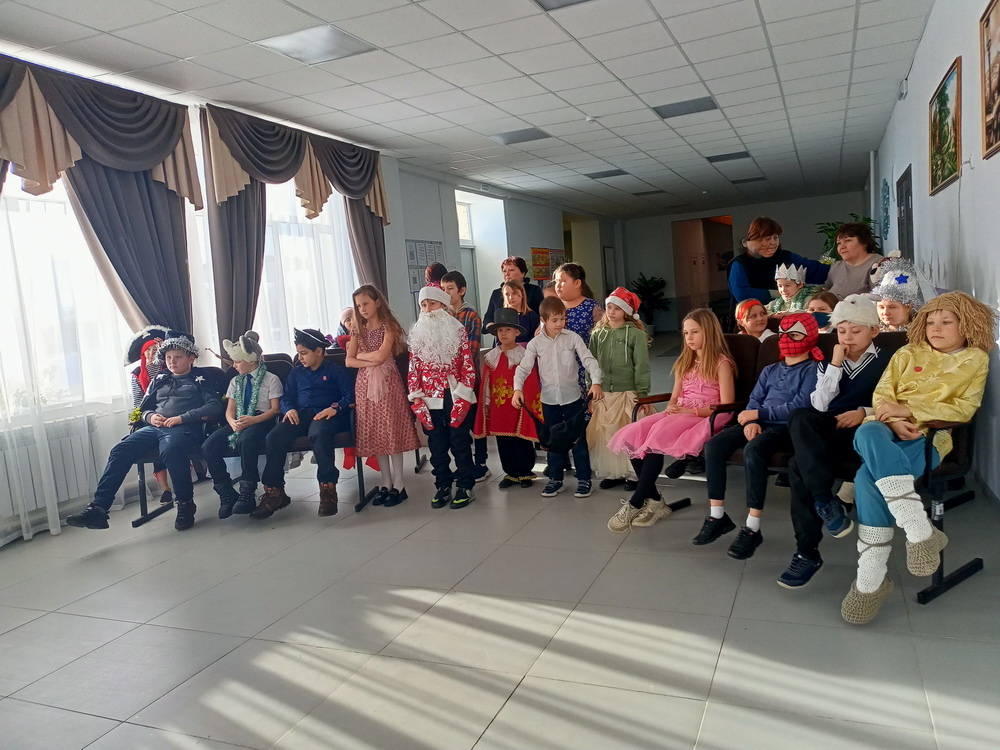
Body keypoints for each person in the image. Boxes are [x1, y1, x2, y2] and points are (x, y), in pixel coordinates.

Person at [841, 292, 996, 624]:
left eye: (946, 322)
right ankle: (918, 529)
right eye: (930, 322)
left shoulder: (975, 359)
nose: (935, 328)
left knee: (866, 478)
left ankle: (870, 579)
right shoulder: (907, 352)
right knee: (866, 433)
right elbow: (883, 393)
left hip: (929, 437)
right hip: (885, 427)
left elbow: (964, 408)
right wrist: (894, 419)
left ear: (967, 325)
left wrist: (910, 411)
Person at [779, 296, 891, 588]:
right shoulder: (829, 362)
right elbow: (819, 405)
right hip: (830, 424)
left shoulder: (889, 360)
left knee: (797, 465)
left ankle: (807, 552)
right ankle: (825, 501)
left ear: (873, 331)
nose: (848, 337)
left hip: (865, 430)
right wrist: (835, 364)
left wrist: (863, 412)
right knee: (800, 416)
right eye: (842, 331)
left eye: (856, 330)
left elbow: (898, 400)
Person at [697, 313, 822, 559]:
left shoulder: (813, 370)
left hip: (786, 427)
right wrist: (752, 420)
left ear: (809, 337)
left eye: (794, 335)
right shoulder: (770, 369)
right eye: (783, 334)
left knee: (754, 450)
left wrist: (758, 414)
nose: (786, 339)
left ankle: (752, 527)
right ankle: (717, 515)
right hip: (758, 421)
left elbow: (800, 406)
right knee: (714, 446)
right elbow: (755, 399)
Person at [67, 336, 224, 532]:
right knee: (120, 450)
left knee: (171, 450)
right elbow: (143, 409)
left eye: (177, 357)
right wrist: (150, 417)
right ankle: (98, 508)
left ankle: (185, 503)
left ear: (191, 358)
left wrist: (182, 418)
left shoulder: (201, 378)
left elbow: (214, 406)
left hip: (183, 428)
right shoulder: (160, 379)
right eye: (168, 358)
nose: (172, 362)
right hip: (154, 427)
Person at [607, 308, 735, 532]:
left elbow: (727, 406)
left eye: (694, 332)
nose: (689, 338)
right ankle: (655, 500)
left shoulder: (721, 364)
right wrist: (672, 406)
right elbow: (675, 396)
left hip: (706, 415)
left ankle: (636, 502)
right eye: (685, 333)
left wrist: (691, 411)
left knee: (656, 437)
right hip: (681, 412)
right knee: (633, 433)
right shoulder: (685, 361)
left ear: (709, 332)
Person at [252, 328, 353, 520]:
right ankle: (275, 492)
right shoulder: (296, 373)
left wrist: (335, 408)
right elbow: (286, 397)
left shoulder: (335, 371)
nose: (300, 358)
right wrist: (289, 409)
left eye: (304, 353)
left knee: (318, 434)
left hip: (326, 415)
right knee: (274, 437)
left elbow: (350, 395)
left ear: (319, 351)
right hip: (300, 415)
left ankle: (327, 488)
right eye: (298, 353)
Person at [513, 295, 604, 498]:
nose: (560, 323)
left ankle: (584, 479)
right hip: (549, 400)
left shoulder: (572, 338)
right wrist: (517, 389)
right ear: (543, 320)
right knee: (553, 441)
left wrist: (596, 381)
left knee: (578, 440)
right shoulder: (535, 343)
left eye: (563, 318)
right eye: (554, 320)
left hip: (573, 398)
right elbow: (524, 368)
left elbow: (589, 360)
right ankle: (555, 479)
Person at [346, 285, 421, 507]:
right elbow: (348, 361)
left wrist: (362, 356)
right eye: (359, 306)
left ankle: (399, 484)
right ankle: (386, 483)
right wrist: (368, 357)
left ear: (377, 302)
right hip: (365, 386)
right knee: (375, 433)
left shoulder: (389, 326)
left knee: (391, 431)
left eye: (366, 304)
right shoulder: (358, 330)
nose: (362, 309)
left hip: (388, 383)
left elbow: (381, 356)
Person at [408, 284, 479, 509]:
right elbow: (413, 367)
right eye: (424, 305)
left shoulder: (457, 330)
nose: (428, 309)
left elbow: (467, 364)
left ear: (444, 305)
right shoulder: (417, 333)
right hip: (429, 396)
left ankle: (465, 485)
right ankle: (443, 485)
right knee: (436, 444)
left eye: (432, 303)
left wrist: (464, 393)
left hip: (455, 393)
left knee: (460, 440)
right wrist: (415, 395)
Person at [202, 331, 282, 518]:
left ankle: (248, 489)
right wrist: (232, 422)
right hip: (239, 419)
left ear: (251, 360)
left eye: (237, 361)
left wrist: (254, 420)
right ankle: (225, 491)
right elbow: (230, 409)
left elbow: (275, 409)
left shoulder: (271, 379)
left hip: (261, 419)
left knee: (246, 440)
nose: (234, 365)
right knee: (208, 446)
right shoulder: (235, 381)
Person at [587, 288, 652, 490]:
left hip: (628, 392)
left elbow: (641, 366)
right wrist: (592, 389)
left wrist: (642, 394)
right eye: (609, 307)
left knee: (628, 433)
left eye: (617, 308)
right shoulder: (598, 335)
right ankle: (614, 472)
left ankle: (632, 473)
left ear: (626, 312)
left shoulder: (635, 335)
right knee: (609, 434)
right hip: (604, 393)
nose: (612, 312)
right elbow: (591, 364)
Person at [474, 308, 542, 488]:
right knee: (503, 441)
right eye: (500, 330)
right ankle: (511, 473)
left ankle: (525, 472)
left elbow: (531, 381)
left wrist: (527, 401)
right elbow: (487, 383)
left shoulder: (524, 355)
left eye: (508, 329)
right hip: (499, 407)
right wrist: (486, 402)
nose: (503, 334)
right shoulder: (491, 357)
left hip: (518, 406)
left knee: (521, 440)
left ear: (517, 332)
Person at [440, 270, 490, 483]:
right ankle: (464, 464)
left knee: (474, 422)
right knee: (457, 424)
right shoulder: (441, 316)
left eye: (450, 288)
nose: (446, 293)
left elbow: (471, 349)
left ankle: (482, 464)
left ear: (461, 290)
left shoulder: (470, 315)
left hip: (469, 378)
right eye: (443, 289)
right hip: (449, 381)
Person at [727, 216, 828, 309]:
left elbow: (817, 271)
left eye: (775, 237)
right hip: (752, 317)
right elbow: (742, 295)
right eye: (767, 238)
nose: (773, 242)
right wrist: (776, 294)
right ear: (746, 242)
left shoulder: (786, 257)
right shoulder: (739, 264)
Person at [127, 334, 173, 505]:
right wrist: (143, 417)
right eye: (149, 350)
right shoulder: (137, 373)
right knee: (154, 447)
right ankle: (165, 489)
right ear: (143, 352)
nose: (152, 352)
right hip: (149, 414)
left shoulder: (166, 366)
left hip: (170, 409)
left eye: (155, 349)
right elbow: (138, 401)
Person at [871, 258, 935, 333]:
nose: (885, 312)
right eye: (881, 307)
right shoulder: (873, 332)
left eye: (892, 307)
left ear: (908, 307)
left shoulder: (922, 332)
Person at [823, 222, 883, 299]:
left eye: (848, 241)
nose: (842, 247)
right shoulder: (836, 267)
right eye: (839, 243)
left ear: (864, 243)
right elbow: (826, 290)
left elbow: (880, 299)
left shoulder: (878, 264)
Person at [483, 256, 544, 328]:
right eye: (504, 271)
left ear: (522, 273)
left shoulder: (534, 290)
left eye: (511, 270)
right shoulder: (496, 293)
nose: (507, 274)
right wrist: (492, 327)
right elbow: (488, 318)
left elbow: (543, 315)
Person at [501, 278, 540, 344]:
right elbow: (498, 342)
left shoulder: (531, 316)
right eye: (507, 294)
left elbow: (535, 340)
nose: (511, 297)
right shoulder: (502, 317)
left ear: (522, 294)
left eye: (514, 293)